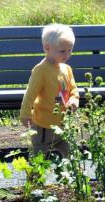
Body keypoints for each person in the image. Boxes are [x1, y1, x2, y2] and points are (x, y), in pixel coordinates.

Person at [19, 24, 80, 157]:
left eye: (70, 50)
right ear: (47, 48)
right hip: (44, 125)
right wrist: (25, 113)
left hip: (63, 122)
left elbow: (73, 88)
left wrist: (74, 98)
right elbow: (30, 94)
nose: (67, 54)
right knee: (39, 156)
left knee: (70, 154)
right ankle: (35, 177)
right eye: (62, 51)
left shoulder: (66, 69)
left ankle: (71, 177)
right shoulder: (42, 70)